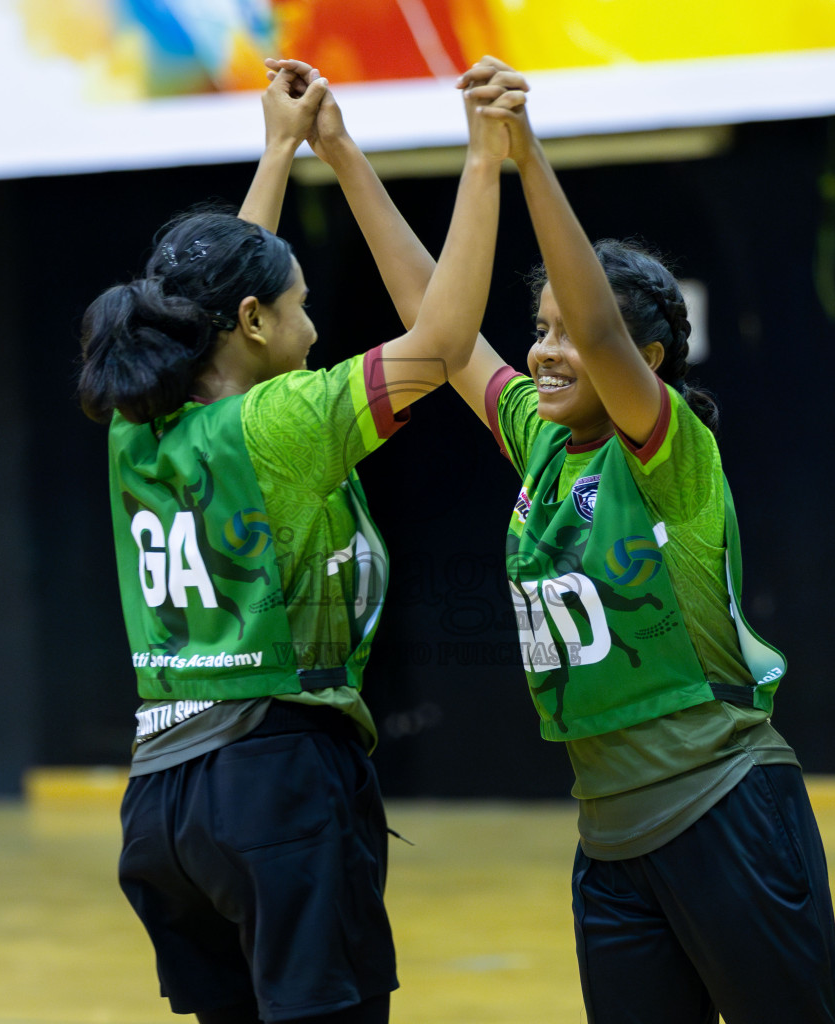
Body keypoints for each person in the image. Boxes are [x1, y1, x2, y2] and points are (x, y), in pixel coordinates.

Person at [274, 54, 835, 1024]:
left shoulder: (666, 451)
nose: (547, 348)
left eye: (564, 332)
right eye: (536, 327)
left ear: (648, 359)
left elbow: (599, 324)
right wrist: (340, 152)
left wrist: (522, 154)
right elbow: (442, 332)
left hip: (723, 812)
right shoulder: (545, 446)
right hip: (610, 842)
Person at [76, 63, 513, 1024]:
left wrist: (281, 150)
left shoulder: (132, 427)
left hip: (161, 803)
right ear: (254, 322)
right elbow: (443, 341)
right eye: (301, 305)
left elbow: (204, 303)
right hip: (271, 781)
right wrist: (478, 165)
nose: (313, 329)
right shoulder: (284, 420)